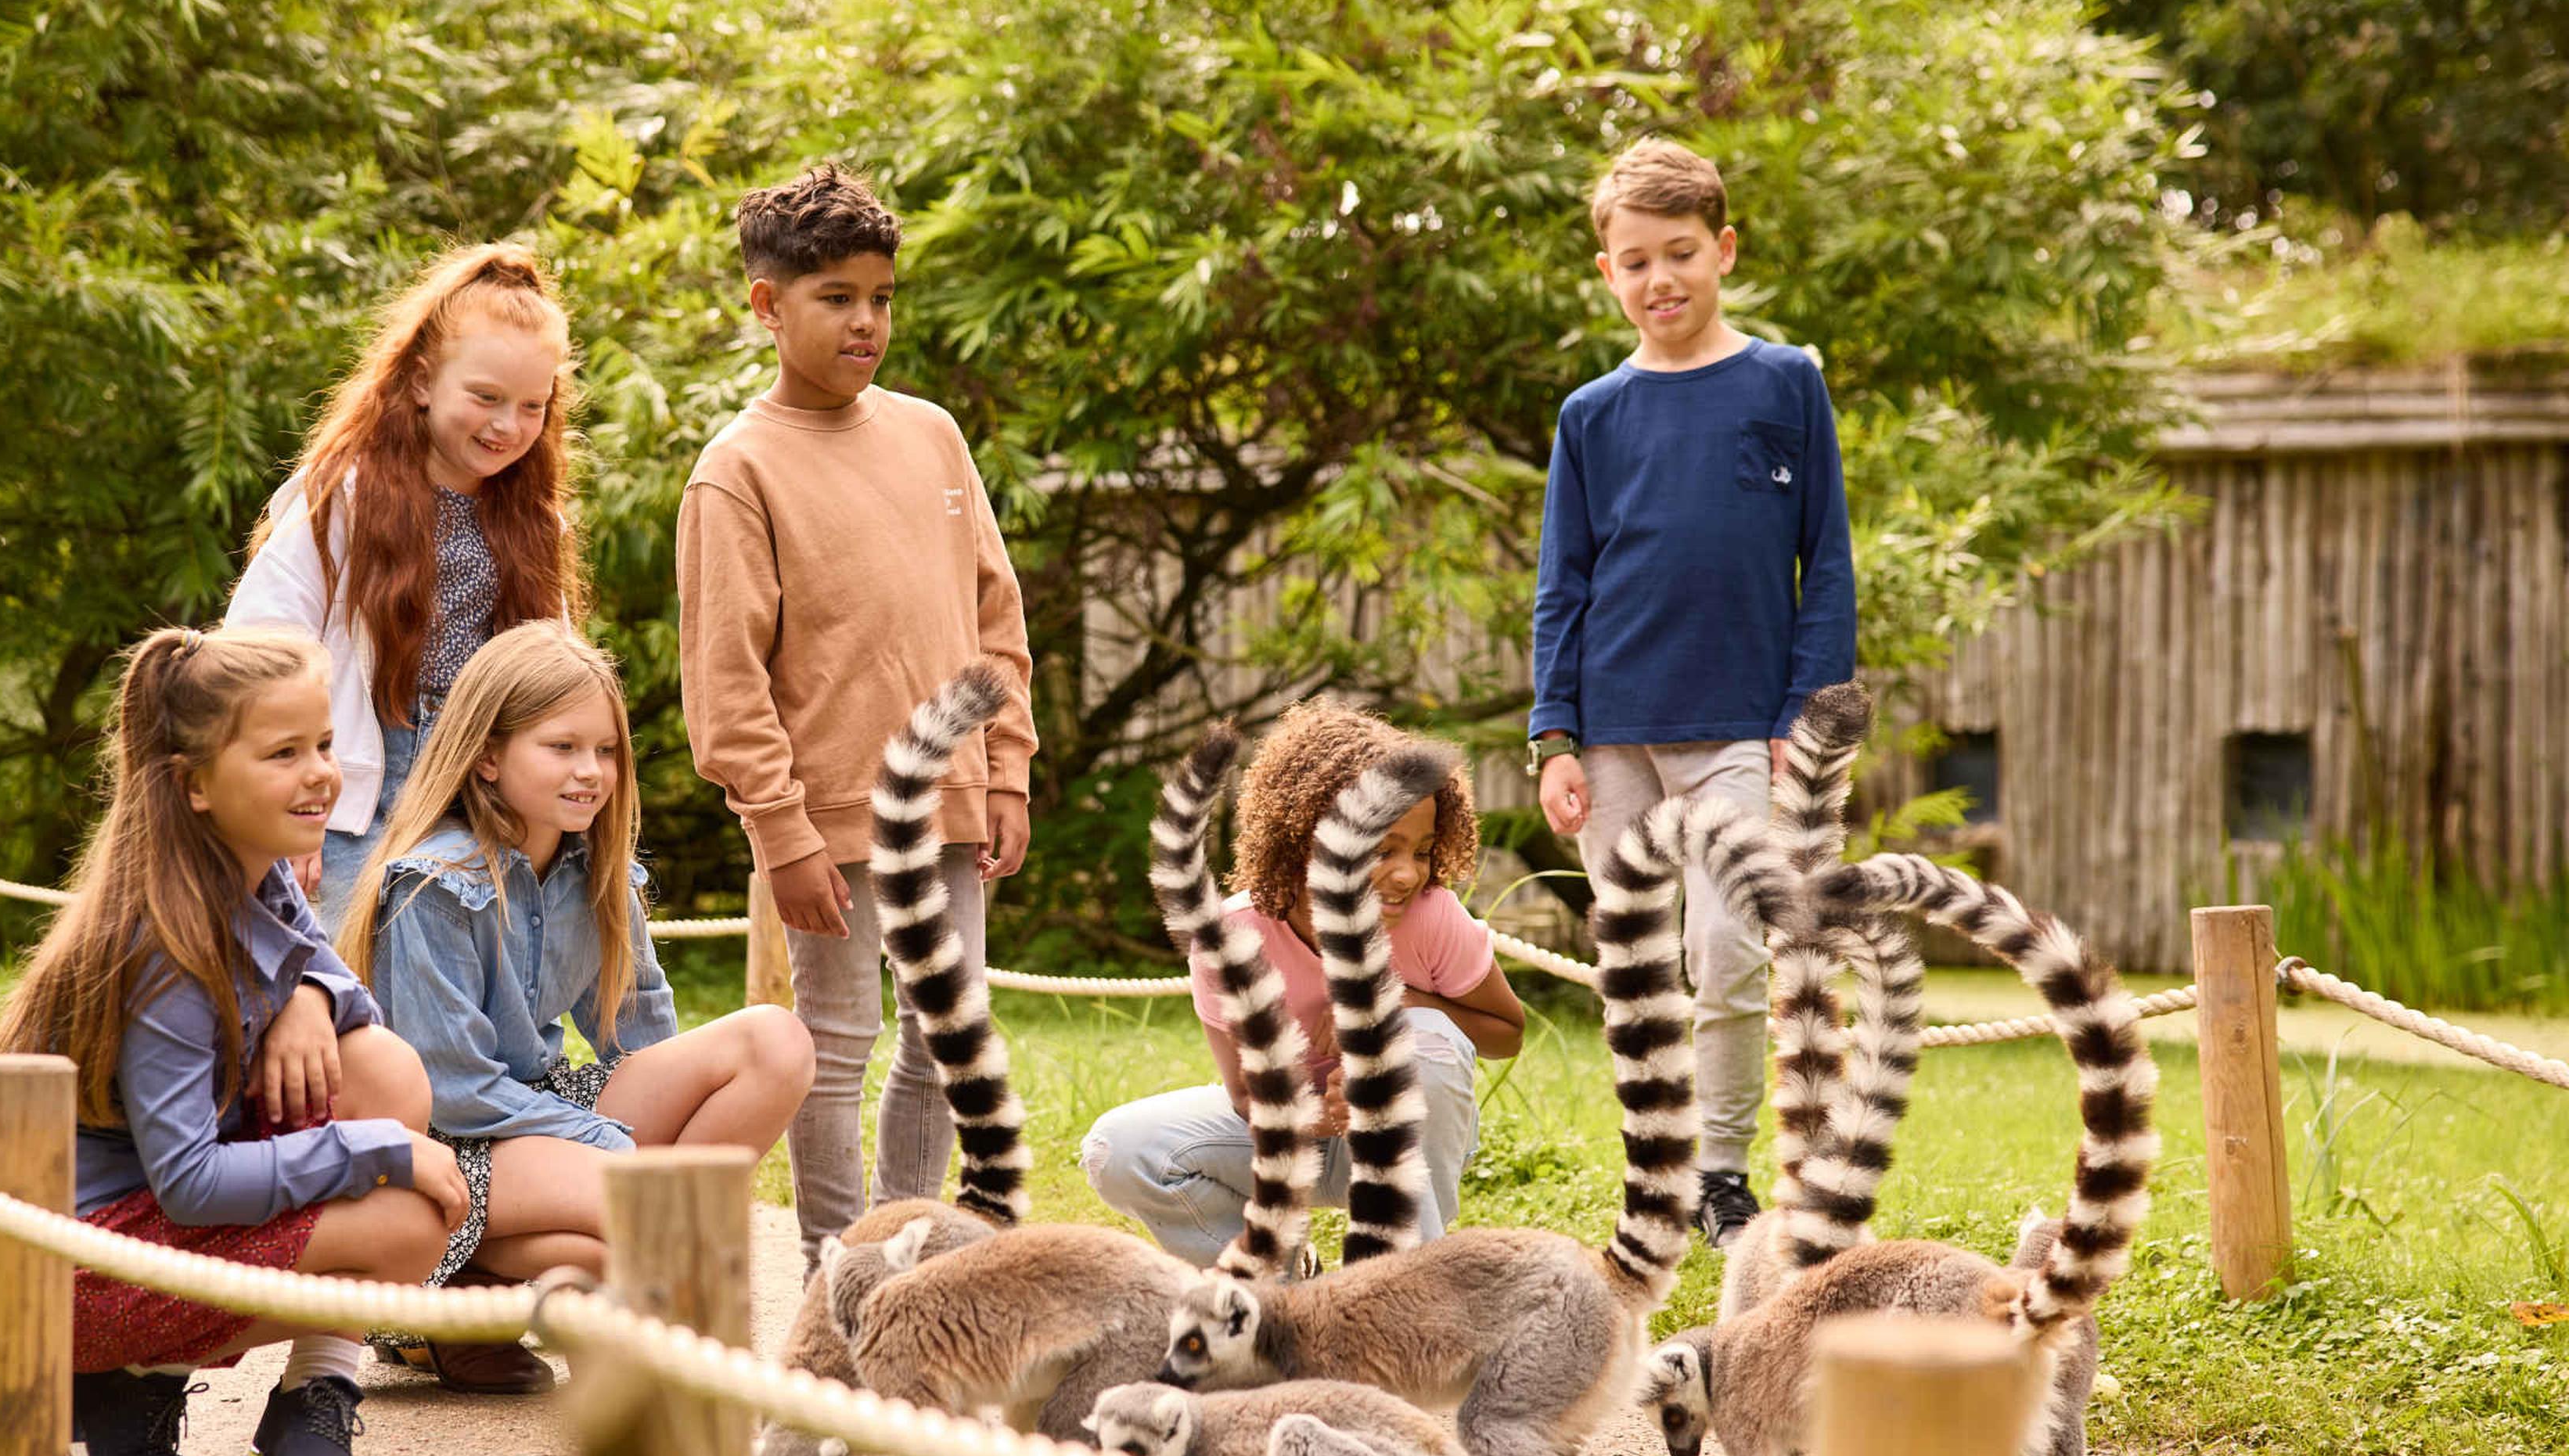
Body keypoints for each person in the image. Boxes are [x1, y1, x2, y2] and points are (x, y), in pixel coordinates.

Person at [0, 626, 468, 1456]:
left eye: (324, 745)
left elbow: (340, 993)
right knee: (403, 1225)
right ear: (195, 785)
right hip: (74, 1278)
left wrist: (310, 998)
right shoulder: (165, 950)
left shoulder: (256, 871)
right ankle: (119, 1371)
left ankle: (305, 1405)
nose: (321, 772)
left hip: (143, 1230)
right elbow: (191, 1187)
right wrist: (380, 1153)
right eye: (284, 753)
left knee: (383, 1073)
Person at [675, 161, 1039, 1271]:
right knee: (835, 1045)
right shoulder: (735, 472)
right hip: (828, 821)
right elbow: (726, 683)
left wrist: (1009, 767)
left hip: (957, 802)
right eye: (836, 297)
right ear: (766, 305)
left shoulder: (933, 435)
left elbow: (995, 610)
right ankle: (836, 1262)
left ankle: (907, 1251)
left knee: (947, 1039)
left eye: (881, 297)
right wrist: (779, 833)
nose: (866, 321)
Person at [1528, 137, 1857, 1249]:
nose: (1659, 278)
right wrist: (1554, 734)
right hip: (1613, 731)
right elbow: (1562, 583)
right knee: (1636, 962)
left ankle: (1719, 1167)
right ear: (1608, 275)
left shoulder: (1785, 385)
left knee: (1726, 947)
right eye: (1633, 261)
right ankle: (1653, 1163)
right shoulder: (1592, 416)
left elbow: (1830, 564)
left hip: (1740, 732)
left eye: (1679, 253)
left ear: (1722, 250)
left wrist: (1805, 715)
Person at [341, 622, 812, 1389]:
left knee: (775, 1043)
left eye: (605, 750)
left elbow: (644, 1042)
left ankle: (619, 1264)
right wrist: (621, 1153)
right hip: (450, 1144)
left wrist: (633, 1151)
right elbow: (454, 1091)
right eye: (561, 748)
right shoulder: (431, 884)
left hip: (537, 1116)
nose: (591, 771)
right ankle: (459, 1286)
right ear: (488, 756)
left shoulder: (599, 874)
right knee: (633, 1220)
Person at [1081, 701, 1527, 1264]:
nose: (1409, 873)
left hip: (1411, 1138)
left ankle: (1409, 1279)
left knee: (1422, 1033)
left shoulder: (1432, 917)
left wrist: (1400, 1002)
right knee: (1119, 1150)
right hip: (1296, 1136)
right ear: (1308, 837)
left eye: (1421, 850)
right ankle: (1279, 1288)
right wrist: (1324, 1116)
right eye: (1383, 849)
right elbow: (1245, 1095)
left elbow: (1506, 1033)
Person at [226, 243, 585, 929]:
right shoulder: (345, 497)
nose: (508, 425)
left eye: (532, 406)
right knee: (347, 983)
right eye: (485, 397)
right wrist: (285, 813)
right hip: (356, 783)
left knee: (474, 980)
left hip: (479, 783)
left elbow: (554, 675)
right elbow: (258, 649)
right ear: (422, 382)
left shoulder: (536, 524)